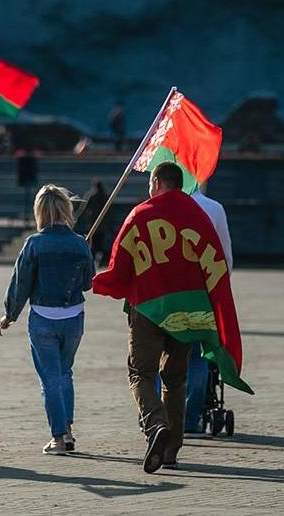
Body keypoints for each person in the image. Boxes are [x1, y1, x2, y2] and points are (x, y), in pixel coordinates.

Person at [94, 161, 235, 473]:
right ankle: (170, 451)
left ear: (157, 183)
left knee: (141, 373)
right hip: (187, 311)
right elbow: (216, 263)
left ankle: (156, 425)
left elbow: (119, 265)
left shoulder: (140, 214)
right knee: (175, 378)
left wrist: (99, 283)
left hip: (148, 308)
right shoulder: (197, 216)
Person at [0, 184, 94, 455]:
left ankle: (58, 437)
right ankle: (69, 430)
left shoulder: (35, 243)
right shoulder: (79, 242)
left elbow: (20, 283)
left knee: (50, 378)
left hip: (43, 317)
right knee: (65, 373)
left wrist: (10, 314)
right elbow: (88, 283)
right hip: (73, 316)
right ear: (66, 209)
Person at [183, 185, 233, 438]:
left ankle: (158, 416)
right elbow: (225, 257)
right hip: (202, 294)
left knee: (160, 356)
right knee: (197, 357)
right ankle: (191, 419)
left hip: (164, 297)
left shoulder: (156, 208)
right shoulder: (214, 208)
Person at [76, 179, 110, 265]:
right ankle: (98, 258)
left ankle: (94, 259)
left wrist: (76, 217)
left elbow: (83, 209)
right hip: (101, 225)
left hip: (93, 225)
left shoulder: (91, 196)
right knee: (99, 244)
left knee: (93, 244)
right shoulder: (105, 196)